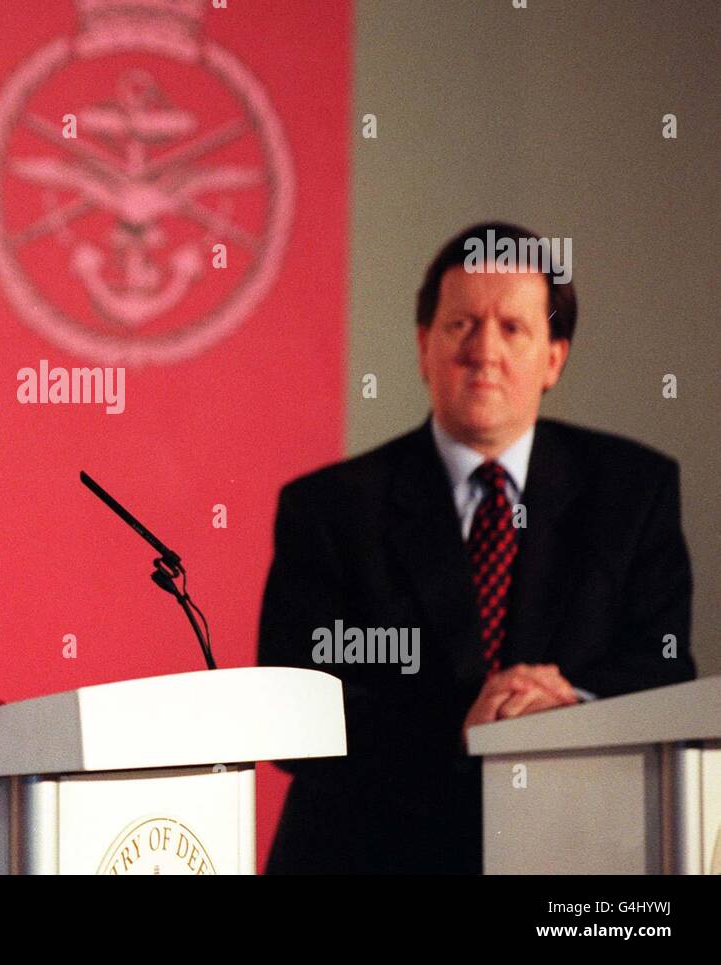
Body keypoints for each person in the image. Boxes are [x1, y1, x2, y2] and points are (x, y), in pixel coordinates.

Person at [257, 222, 696, 874]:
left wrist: (568, 706)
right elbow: (295, 708)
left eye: (513, 328)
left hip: (577, 855)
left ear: (554, 357)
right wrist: (461, 729)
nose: (483, 350)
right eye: (461, 324)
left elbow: (665, 671)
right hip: (368, 852)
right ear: (423, 346)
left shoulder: (633, 491)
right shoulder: (330, 507)